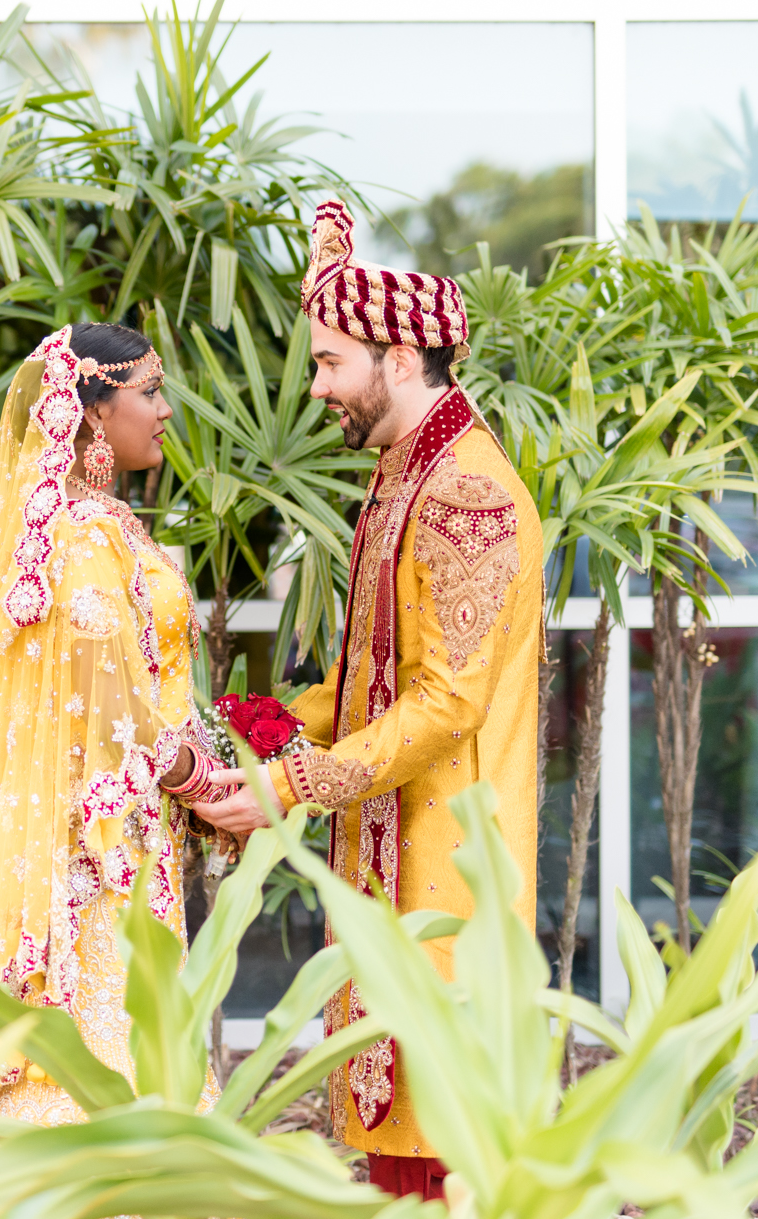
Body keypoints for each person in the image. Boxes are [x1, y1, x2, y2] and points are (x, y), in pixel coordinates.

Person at [194, 200, 544, 1200]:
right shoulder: (403, 471)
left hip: (449, 860)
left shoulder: (465, 491)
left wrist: (289, 781)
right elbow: (373, 678)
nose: (314, 388)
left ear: (398, 358)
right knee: (401, 1130)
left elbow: (446, 704)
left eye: (328, 362)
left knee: (443, 1130)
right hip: (394, 844)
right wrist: (258, 727)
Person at [0, 322, 226, 1125]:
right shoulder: (84, 536)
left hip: (119, 825)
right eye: (148, 393)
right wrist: (202, 779)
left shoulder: (102, 524)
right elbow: (112, 711)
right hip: (100, 846)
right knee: (105, 1045)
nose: (164, 410)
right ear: (95, 413)